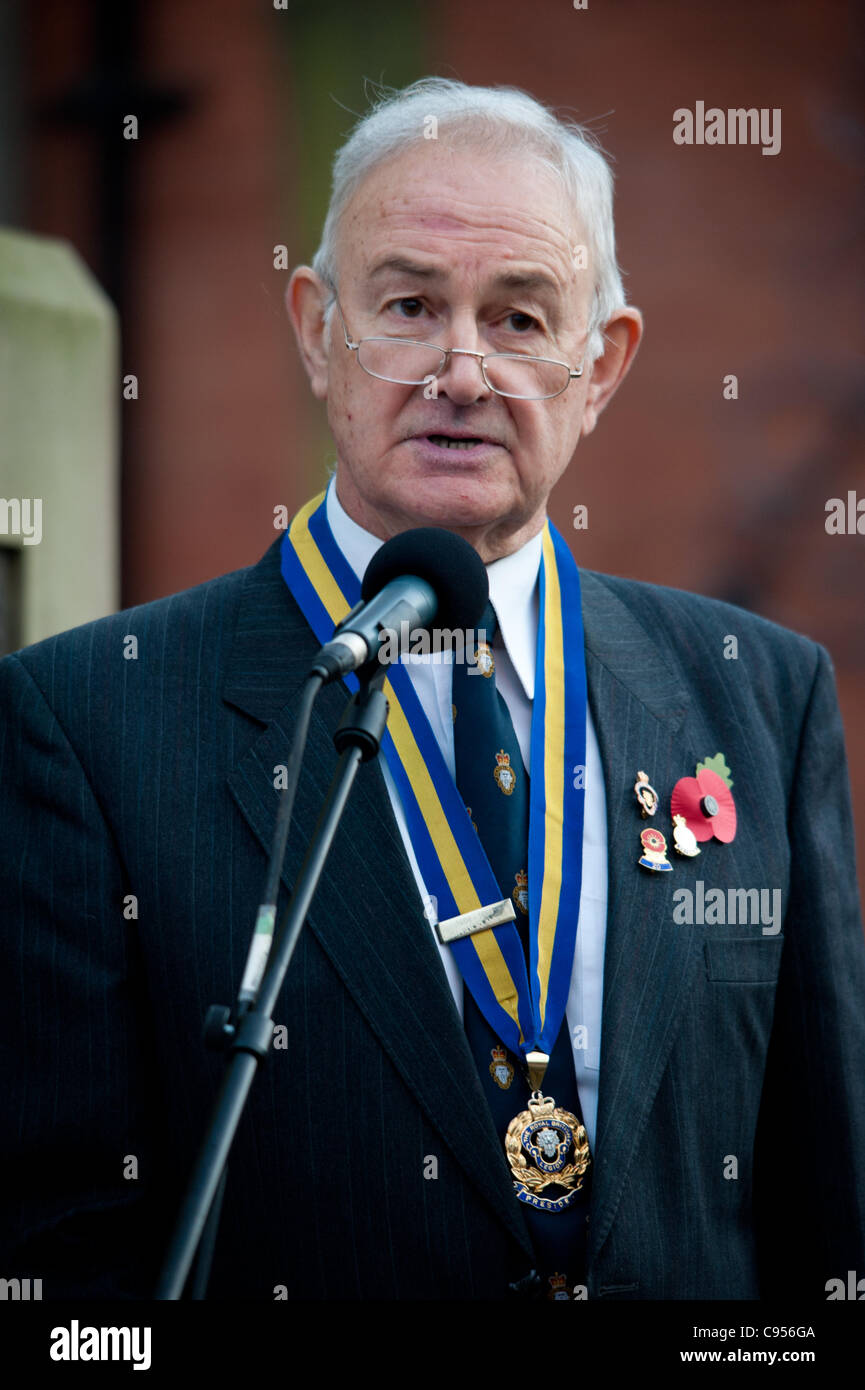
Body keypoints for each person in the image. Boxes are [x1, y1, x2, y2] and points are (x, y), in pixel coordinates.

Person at [2, 77, 864, 1302]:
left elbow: (828, 1208)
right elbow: (61, 1257)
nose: (461, 370)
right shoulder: (86, 722)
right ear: (315, 328)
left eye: (520, 318)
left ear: (603, 363)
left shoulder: (759, 701)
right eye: (408, 305)